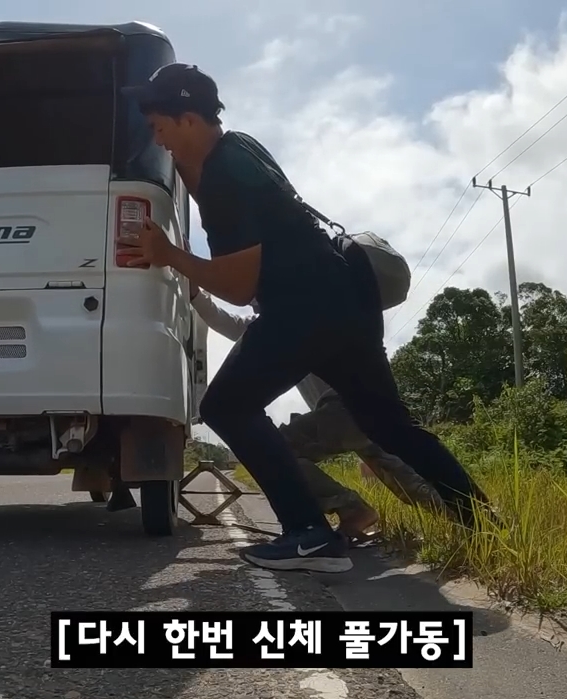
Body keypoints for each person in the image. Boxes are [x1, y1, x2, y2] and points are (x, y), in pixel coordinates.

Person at [119, 62, 493, 574]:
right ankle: (486, 525)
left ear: (187, 119)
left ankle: (309, 533)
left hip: (302, 306)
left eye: (159, 126)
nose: (156, 138)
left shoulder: (224, 176)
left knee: (227, 407)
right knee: (391, 426)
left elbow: (237, 285)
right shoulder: (239, 148)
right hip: (345, 302)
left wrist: (168, 253)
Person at [189, 285, 448, 542]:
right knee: (406, 477)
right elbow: (229, 322)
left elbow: (227, 322)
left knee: (275, 450)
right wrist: (196, 295)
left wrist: (195, 295)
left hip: (341, 408)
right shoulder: (310, 308)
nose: (251, 302)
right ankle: (473, 520)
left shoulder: (280, 323)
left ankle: (352, 509)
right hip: (373, 403)